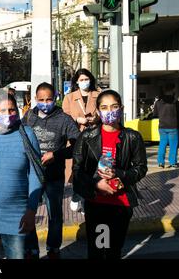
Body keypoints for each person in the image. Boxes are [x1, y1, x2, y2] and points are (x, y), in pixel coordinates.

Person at [73, 90, 147, 259]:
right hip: (97, 203)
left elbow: (141, 168)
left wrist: (121, 175)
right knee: (99, 250)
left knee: (114, 251)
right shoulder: (87, 136)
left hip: (121, 204)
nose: (110, 111)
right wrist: (95, 185)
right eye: (104, 107)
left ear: (121, 109)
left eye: (114, 107)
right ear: (98, 111)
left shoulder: (133, 137)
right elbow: (77, 171)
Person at [0, 93, 43, 259]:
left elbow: (36, 173)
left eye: (12, 110)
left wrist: (31, 210)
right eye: (2, 110)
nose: (8, 114)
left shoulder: (27, 134)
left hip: (17, 215)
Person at [24, 82, 80, 259]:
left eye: (49, 99)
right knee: (29, 213)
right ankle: (32, 248)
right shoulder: (28, 117)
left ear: (55, 98)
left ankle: (54, 248)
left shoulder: (64, 119)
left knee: (55, 214)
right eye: (41, 100)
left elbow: (77, 146)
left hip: (53, 176)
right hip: (31, 175)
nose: (45, 103)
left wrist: (56, 154)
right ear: (35, 99)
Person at [62, 69, 100, 213]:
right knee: (77, 168)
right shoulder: (69, 97)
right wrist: (78, 119)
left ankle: (84, 200)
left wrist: (95, 119)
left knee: (90, 168)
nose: (85, 82)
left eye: (87, 79)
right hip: (76, 138)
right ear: (77, 81)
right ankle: (77, 195)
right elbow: (65, 116)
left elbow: (102, 111)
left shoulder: (98, 95)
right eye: (82, 79)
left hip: (93, 137)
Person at [153, 83, 179, 168]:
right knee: (173, 145)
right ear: (172, 90)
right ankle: (172, 163)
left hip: (162, 126)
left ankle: (160, 163)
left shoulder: (158, 102)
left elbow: (155, 114)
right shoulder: (175, 102)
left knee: (162, 144)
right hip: (173, 126)